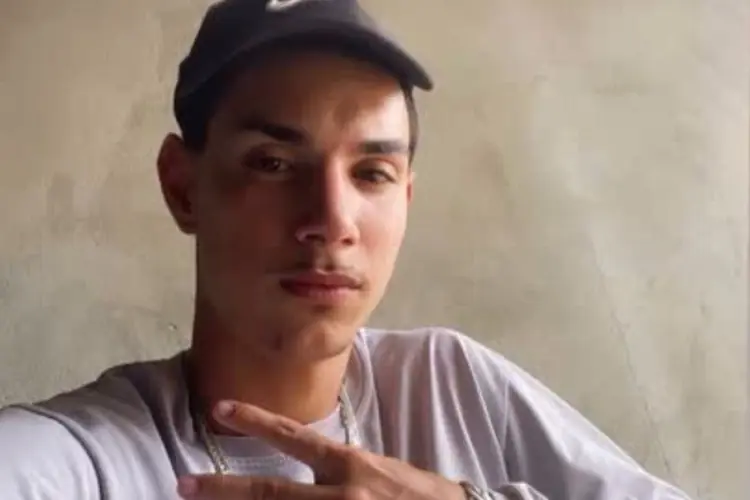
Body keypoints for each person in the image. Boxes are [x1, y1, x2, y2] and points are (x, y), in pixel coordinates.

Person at [0, 1, 694, 499]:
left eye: (372, 173)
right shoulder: (79, 459)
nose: (332, 220)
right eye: (273, 163)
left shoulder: (452, 385)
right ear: (183, 188)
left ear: (406, 199)